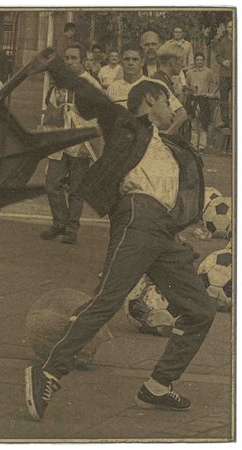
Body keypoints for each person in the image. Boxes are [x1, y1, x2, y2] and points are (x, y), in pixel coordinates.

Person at [24, 50, 216, 420]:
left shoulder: (169, 144)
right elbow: (90, 95)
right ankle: (48, 370)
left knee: (200, 311)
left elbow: (173, 193)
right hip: (137, 217)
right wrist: (58, 66)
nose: (172, 107)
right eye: (165, 100)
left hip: (162, 230)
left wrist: (176, 232)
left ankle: (158, 386)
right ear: (148, 102)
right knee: (109, 299)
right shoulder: (127, 125)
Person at [40, 44, 102, 245]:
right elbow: (50, 108)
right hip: (59, 140)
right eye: (67, 58)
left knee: (76, 188)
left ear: (84, 61)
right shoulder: (59, 83)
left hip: (80, 142)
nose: (69, 62)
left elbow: (97, 116)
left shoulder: (91, 84)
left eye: (74, 58)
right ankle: (59, 222)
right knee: (52, 184)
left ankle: (71, 227)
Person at [107, 44, 187, 136]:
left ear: (142, 62)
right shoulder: (112, 88)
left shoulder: (155, 84)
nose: (130, 63)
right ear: (121, 62)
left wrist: (167, 133)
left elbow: (181, 114)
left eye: (135, 59)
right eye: (127, 59)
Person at [186, 52, 217, 151]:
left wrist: (210, 94)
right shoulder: (190, 72)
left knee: (203, 123)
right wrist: (191, 90)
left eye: (201, 60)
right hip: (194, 100)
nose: (199, 62)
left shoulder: (208, 72)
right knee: (194, 123)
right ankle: (194, 145)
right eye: (197, 60)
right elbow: (186, 86)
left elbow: (215, 84)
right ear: (195, 61)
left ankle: (202, 146)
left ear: (203, 61)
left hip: (204, 100)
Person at [215, 20, 233, 129]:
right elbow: (217, 56)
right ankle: (225, 120)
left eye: (234, 26)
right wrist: (223, 62)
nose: (232, 29)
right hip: (224, 74)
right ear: (227, 29)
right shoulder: (223, 42)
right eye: (230, 27)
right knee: (224, 98)